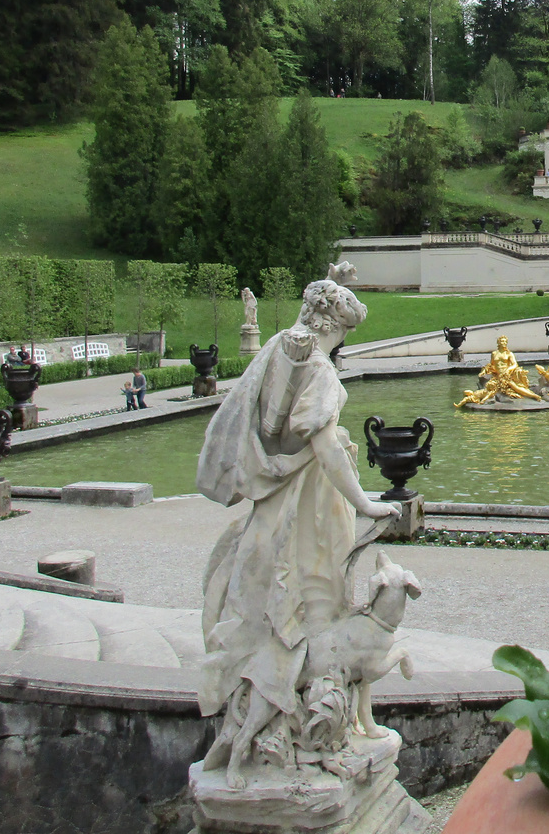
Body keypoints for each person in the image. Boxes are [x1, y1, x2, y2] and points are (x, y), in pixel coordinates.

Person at [195, 263, 400, 787]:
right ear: (336, 325)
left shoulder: (285, 351)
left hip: (275, 505)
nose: (343, 343)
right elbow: (325, 446)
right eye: (346, 332)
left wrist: (330, 280)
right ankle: (304, 732)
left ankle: (259, 731)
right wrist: (367, 502)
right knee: (311, 607)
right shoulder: (322, 373)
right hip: (310, 510)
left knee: (265, 606)